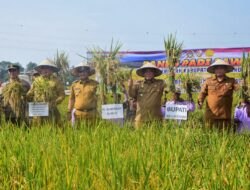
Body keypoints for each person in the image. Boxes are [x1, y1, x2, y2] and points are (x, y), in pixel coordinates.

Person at [198, 59, 238, 130]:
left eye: (221, 68)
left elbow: (240, 91)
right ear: (214, 70)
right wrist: (200, 102)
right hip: (211, 114)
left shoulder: (231, 81)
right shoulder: (208, 81)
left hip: (225, 115)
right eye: (217, 68)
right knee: (209, 134)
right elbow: (202, 92)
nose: (219, 70)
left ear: (225, 70)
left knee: (225, 135)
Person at [128, 61, 166, 128]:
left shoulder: (160, 83)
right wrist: (130, 86)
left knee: (157, 137)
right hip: (141, 118)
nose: (148, 73)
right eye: (146, 71)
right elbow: (131, 95)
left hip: (156, 118)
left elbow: (170, 89)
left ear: (154, 73)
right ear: (143, 73)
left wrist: (172, 77)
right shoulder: (138, 84)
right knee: (139, 137)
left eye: (150, 71)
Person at [27, 59, 65, 125]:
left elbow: (62, 95)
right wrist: (27, 97)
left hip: (51, 110)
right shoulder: (37, 81)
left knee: (52, 128)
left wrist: (54, 103)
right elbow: (30, 93)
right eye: (43, 68)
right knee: (37, 129)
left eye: (47, 68)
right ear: (40, 70)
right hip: (38, 110)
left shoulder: (56, 81)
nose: (45, 70)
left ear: (52, 70)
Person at [68, 62, 99, 126]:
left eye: (84, 71)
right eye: (80, 72)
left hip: (92, 114)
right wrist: (69, 111)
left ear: (88, 73)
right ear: (78, 74)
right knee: (78, 133)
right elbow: (71, 99)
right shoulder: (74, 85)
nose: (82, 73)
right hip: (78, 114)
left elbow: (101, 98)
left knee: (93, 133)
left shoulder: (95, 84)